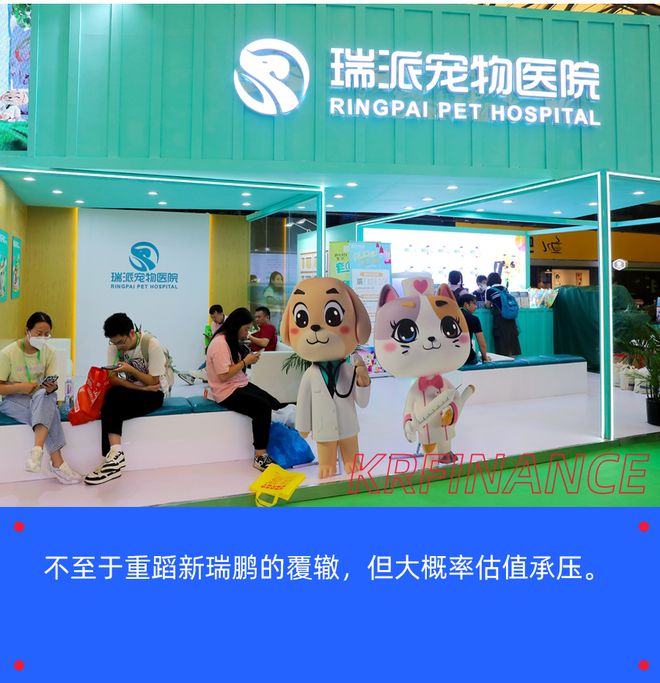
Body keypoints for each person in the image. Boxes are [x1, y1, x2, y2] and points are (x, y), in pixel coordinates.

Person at [84, 313, 168, 485]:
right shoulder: (114, 346)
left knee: (111, 405)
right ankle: (114, 455)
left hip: (155, 393)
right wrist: (140, 387)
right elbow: (113, 379)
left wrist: (131, 370)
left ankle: (111, 459)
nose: (119, 347)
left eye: (121, 342)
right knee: (111, 397)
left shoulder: (151, 344)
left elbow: (154, 382)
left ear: (131, 333)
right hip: (136, 390)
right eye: (115, 343)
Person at [0, 312, 82, 484]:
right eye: (39, 333)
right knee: (50, 412)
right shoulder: (8, 353)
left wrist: (52, 387)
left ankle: (37, 450)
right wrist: (21, 387)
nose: (43, 338)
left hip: (39, 397)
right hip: (12, 399)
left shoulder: (49, 352)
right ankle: (57, 462)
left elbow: (52, 382)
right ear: (27, 330)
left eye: (47, 334)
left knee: (47, 396)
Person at [206, 307, 284, 471]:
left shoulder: (229, 339)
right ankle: (260, 455)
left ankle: (279, 442)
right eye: (246, 329)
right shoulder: (220, 343)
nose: (247, 333)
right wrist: (245, 362)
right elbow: (223, 376)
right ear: (237, 326)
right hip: (225, 391)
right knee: (262, 407)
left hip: (238, 383)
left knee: (275, 403)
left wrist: (248, 360)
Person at [485, 272, 522, 357]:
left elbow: (487, 305)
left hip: (500, 319)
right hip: (510, 318)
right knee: (511, 341)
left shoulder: (490, 290)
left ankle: (504, 361)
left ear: (489, 280)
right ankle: (511, 359)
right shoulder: (505, 289)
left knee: (501, 342)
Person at [459, 294, 491, 364]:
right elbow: (481, 343)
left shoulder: (450, 317)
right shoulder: (473, 319)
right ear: (466, 304)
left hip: (453, 359)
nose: (476, 307)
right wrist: (485, 357)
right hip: (468, 358)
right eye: (474, 303)